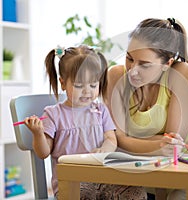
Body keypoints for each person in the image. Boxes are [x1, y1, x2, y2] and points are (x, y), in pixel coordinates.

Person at [23, 45, 146, 199]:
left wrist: (105, 149)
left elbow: (111, 138)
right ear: (62, 83)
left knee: (135, 191)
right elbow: (43, 152)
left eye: (93, 85)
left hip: (102, 180)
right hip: (71, 183)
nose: (87, 91)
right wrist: (38, 133)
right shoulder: (53, 114)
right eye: (79, 86)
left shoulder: (101, 110)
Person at [103, 18, 188, 199]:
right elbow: (117, 139)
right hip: (130, 178)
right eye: (129, 58)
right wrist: (156, 144)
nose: (132, 70)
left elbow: (172, 145)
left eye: (144, 64)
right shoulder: (115, 76)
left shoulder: (181, 74)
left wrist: (131, 140)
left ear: (166, 64)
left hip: (175, 176)